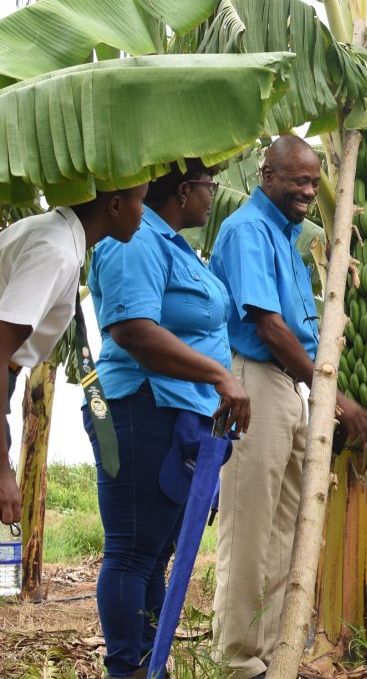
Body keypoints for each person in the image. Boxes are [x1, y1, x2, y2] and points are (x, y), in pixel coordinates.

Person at [209, 136, 367, 678]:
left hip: (287, 388)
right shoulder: (248, 230)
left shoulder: (288, 235)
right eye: (297, 180)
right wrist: (331, 395)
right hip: (252, 381)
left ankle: (273, 654)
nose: (308, 191)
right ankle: (238, 661)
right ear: (267, 175)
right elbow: (267, 325)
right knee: (250, 527)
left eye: (313, 181)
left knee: (286, 529)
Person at [86, 161, 250, 678]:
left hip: (180, 413)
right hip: (137, 404)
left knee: (155, 555)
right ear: (183, 190)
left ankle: (149, 664)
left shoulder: (175, 246)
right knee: (132, 551)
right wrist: (220, 377)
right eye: (209, 186)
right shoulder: (133, 239)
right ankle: (126, 666)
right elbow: (133, 330)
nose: (212, 196)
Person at [0, 185, 147, 527]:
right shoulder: (57, 252)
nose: (143, 213)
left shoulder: (52, 233)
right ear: (114, 205)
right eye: (139, 202)